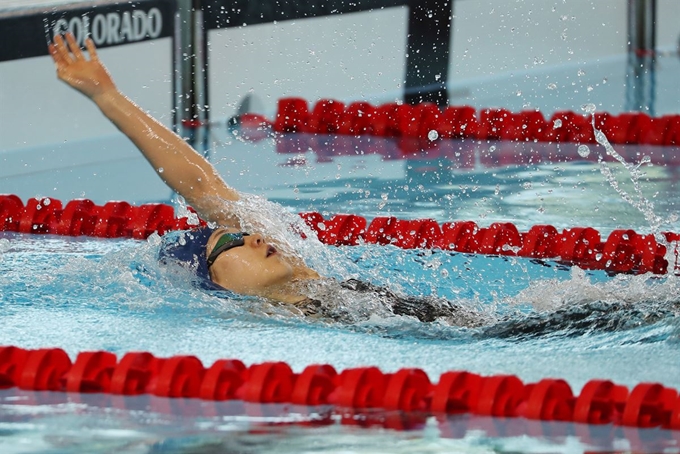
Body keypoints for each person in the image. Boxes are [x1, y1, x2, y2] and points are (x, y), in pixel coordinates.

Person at [49, 32, 484, 327]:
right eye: (232, 243)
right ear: (213, 283)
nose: (253, 238)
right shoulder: (263, 325)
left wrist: (108, 95)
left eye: (242, 233)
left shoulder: (314, 279)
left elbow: (200, 186)